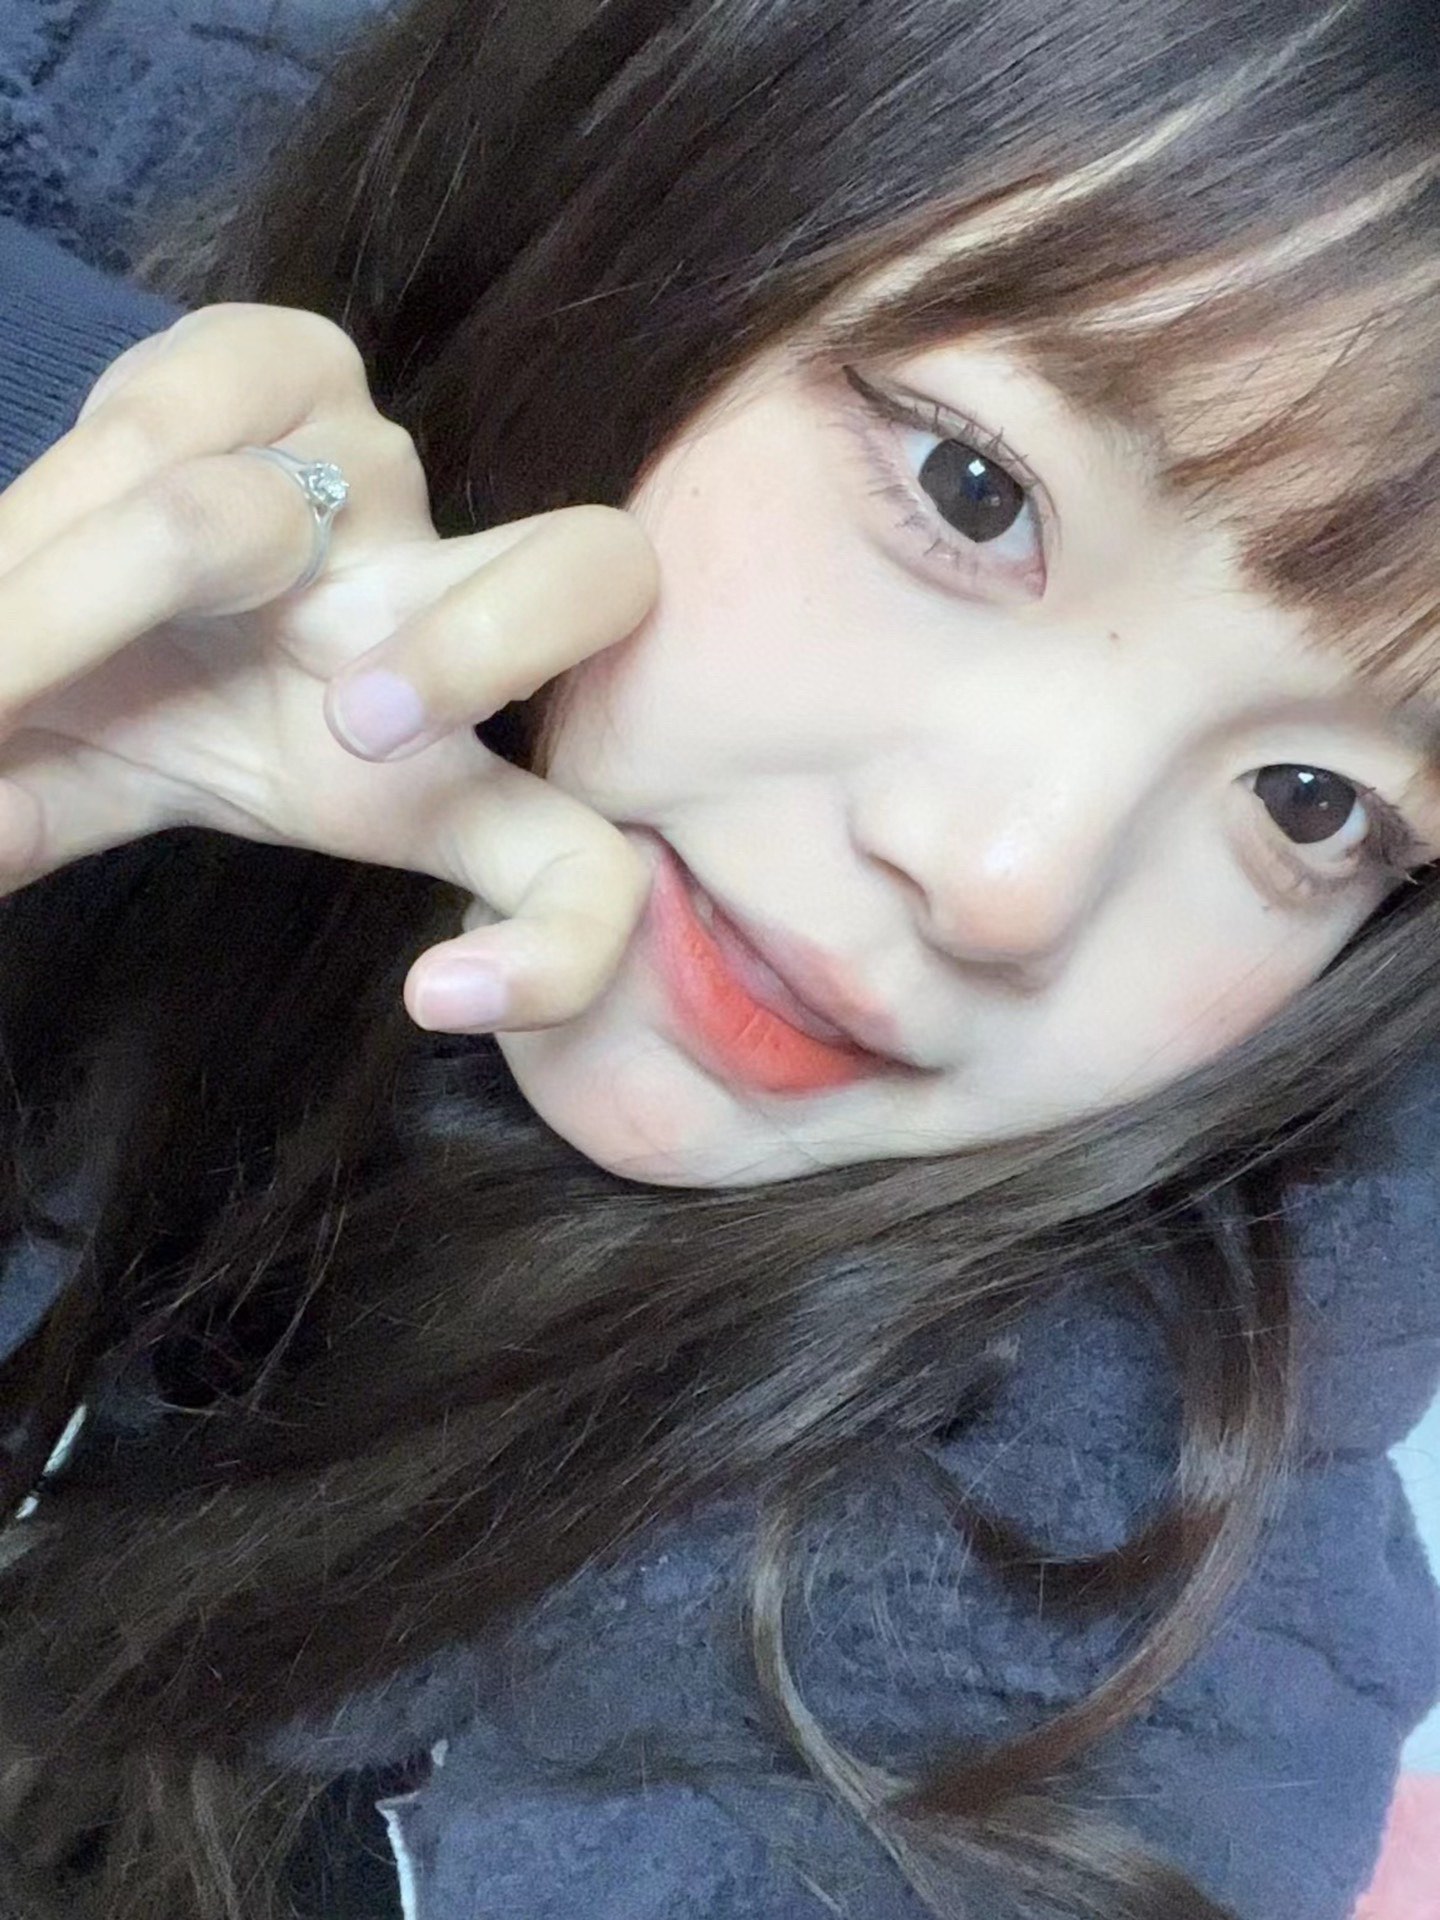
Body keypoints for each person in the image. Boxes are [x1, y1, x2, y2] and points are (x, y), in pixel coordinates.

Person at [0, 0, 1438, 1916]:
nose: (1006, 882)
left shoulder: (1113, 1667)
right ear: (660, 197)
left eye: (1315, 805)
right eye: (975, 491)